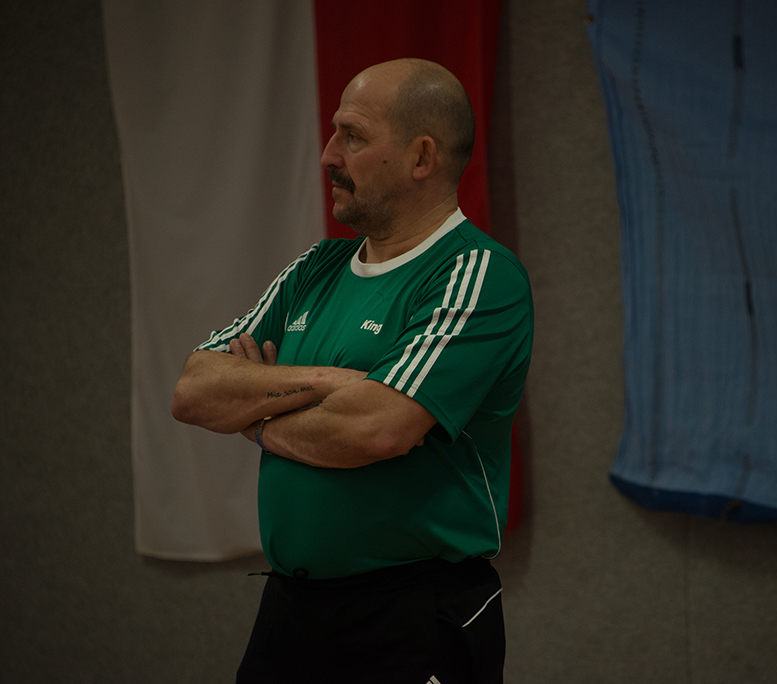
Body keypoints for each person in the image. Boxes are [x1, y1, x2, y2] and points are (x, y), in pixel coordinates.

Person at [171, 58, 533, 684]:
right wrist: (331, 383)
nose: (328, 155)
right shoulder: (315, 267)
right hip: (290, 611)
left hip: (411, 615)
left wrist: (255, 418)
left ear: (422, 157)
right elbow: (194, 391)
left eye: (353, 136)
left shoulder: (478, 272)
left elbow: (377, 430)